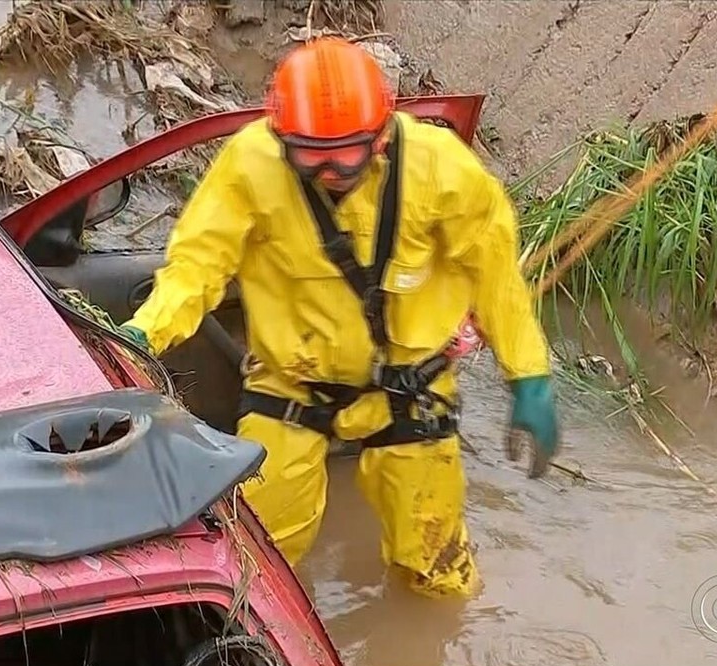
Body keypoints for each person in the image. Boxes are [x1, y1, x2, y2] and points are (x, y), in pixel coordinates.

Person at [117, 37, 559, 600]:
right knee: (250, 567)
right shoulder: (251, 166)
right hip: (290, 394)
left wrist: (529, 377)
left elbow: (497, 282)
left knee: (438, 572)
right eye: (308, 153)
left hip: (412, 394)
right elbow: (197, 267)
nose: (328, 169)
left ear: (380, 135)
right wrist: (142, 333)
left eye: (346, 152)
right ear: (282, 139)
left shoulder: (443, 172)